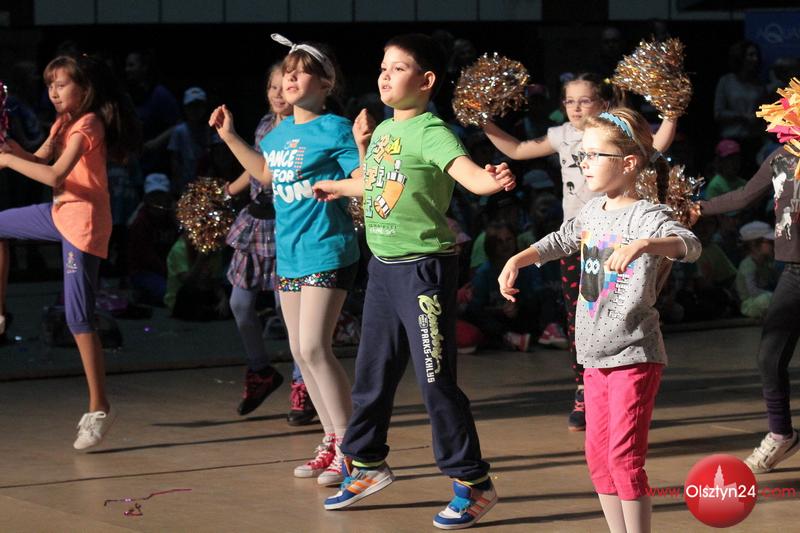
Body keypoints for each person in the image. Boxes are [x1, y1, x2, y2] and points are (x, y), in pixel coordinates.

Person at [313, 33, 515, 530]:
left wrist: (493, 180)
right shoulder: (385, 130)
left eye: (398, 68)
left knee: (435, 381)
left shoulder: (433, 132)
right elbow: (374, 182)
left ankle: (473, 482)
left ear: (426, 81)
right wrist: (337, 184)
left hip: (423, 270)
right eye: (383, 67)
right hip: (383, 268)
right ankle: (366, 463)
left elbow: (470, 177)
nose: (385, 75)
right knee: (372, 372)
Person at [498, 108, 700, 533]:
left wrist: (646, 244)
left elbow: (689, 244)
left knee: (625, 460)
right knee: (599, 459)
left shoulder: (645, 215)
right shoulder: (591, 211)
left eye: (593, 155)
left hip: (633, 355)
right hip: (593, 356)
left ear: (628, 163)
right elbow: (560, 240)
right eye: (581, 155)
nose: (583, 163)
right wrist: (518, 258)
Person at [482, 72, 678, 431]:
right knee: (580, 315)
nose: (575, 108)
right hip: (578, 238)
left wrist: (671, 111)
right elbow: (517, 150)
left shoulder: (616, 136)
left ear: (603, 104)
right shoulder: (562, 135)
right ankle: (585, 387)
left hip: (620, 238)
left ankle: (625, 382)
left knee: (623, 310)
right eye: (569, 101)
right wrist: (481, 118)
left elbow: (653, 147)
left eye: (584, 100)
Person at [209, 34, 359, 487]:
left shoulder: (336, 129)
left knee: (314, 347)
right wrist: (229, 136)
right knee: (298, 351)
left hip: (327, 248)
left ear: (326, 83)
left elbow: (365, 179)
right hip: (288, 254)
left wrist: (345, 177)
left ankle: (353, 448)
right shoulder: (278, 134)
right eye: (286, 73)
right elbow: (265, 174)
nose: (290, 79)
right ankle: (331, 440)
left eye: (301, 73)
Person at [0, 54, 141, 449]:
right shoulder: (63, 122)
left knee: (79, 319)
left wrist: (8, 159)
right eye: (50, 85)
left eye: (61, 84)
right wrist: (10, 146)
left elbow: (54, 174)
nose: (53, 92)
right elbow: (39, 159)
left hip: (84, 225)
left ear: (85, 89)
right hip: (59, 213)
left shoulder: (89, 124)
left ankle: (100, 408)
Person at [691, 137, 800, 473]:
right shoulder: (783, 156)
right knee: (769, 356)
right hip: (795, 272)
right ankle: (781, 434)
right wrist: (699, 208)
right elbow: (744, 195)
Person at [222, 64, 313, 424]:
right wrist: (227, 191)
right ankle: (260, 371)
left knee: (286, 311)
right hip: (255, 222)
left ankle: (303, 384)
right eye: (272, 86)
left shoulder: (303, 129)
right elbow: (257, 167)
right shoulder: (264, 125)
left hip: (285, 224)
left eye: (284, 86)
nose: (278, 93)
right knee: (239, 303)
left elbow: (273, 172)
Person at [127, 173, 178, 306]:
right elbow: (146, 257)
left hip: (170, 269)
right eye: (154, 196)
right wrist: (168, 273)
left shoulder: (172, 218)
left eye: (162, 196)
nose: (158, 201)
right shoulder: (140, 222)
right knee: (168, 293)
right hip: (145, 271)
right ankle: (141, 293)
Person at [168, 87, 221, 193]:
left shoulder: (212, 130)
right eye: (191, 106)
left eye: (198, 106)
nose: (195, 110)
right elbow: (174, 159)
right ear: (185, 108)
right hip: (185, 183)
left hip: (207, 182)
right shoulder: (179, 131)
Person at [735, 221, 778, 319]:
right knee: (767, 299)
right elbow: (753, 291)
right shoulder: (748, 264)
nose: (773, 245)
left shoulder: (767, 263)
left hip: (766, 298)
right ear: (753, 244)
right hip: (750, 304)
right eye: (770, 242)